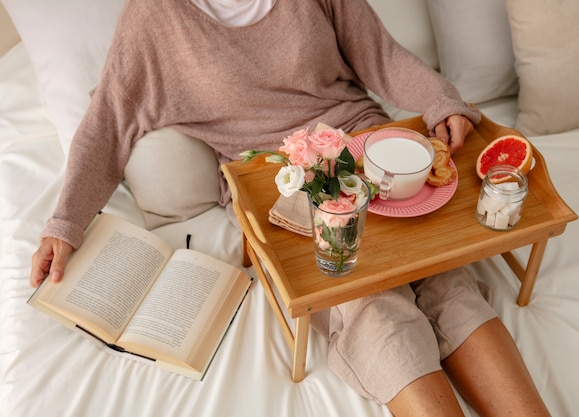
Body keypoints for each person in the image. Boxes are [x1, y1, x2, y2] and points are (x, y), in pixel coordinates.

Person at [29, 1, 551, 416]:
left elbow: (382, 55)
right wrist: (67, 222)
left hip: (369, 154)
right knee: (371, 304)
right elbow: (106, 124)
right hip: (281, 187)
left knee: (448, 284)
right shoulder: (154, 18)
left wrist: (441, 100)